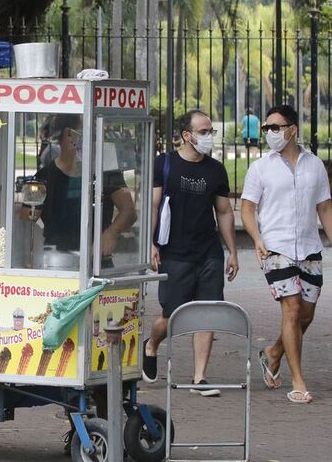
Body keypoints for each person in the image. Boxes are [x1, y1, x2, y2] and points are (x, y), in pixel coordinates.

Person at [241, 105, 332, 404]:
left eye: (275, 128)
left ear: (292, 129)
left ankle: (273, 353)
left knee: (306, 314)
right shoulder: (260, 167)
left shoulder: (314, 165)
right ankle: (298, 381)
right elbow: (248, 207)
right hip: (276, 247)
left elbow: (325, 208)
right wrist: (256, 239)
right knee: (291, 310)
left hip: (309, 247)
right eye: (267, 128)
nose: (269, 133)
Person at [143, 110, 238, 396]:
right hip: (174, 251)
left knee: (207, 311)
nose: (209, 136)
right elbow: (153, 205)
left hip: (208, 250)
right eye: (204, 131)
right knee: (172, 315)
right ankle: (152, 344)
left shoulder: (216, 169)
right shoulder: (166, 163)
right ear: (187, 135)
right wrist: (150, 243)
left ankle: (199, 378)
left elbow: (223, 211)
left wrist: (232, 251)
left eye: (211, 131)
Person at [33, 115, 136, 267]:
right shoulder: (43, 177)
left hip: (98, 263)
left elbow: (129, 211)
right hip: (56, 264)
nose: (93, 138)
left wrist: (112, 232)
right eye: (87, 131)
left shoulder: (105, 171)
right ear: (69, 134)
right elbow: (28, 220)